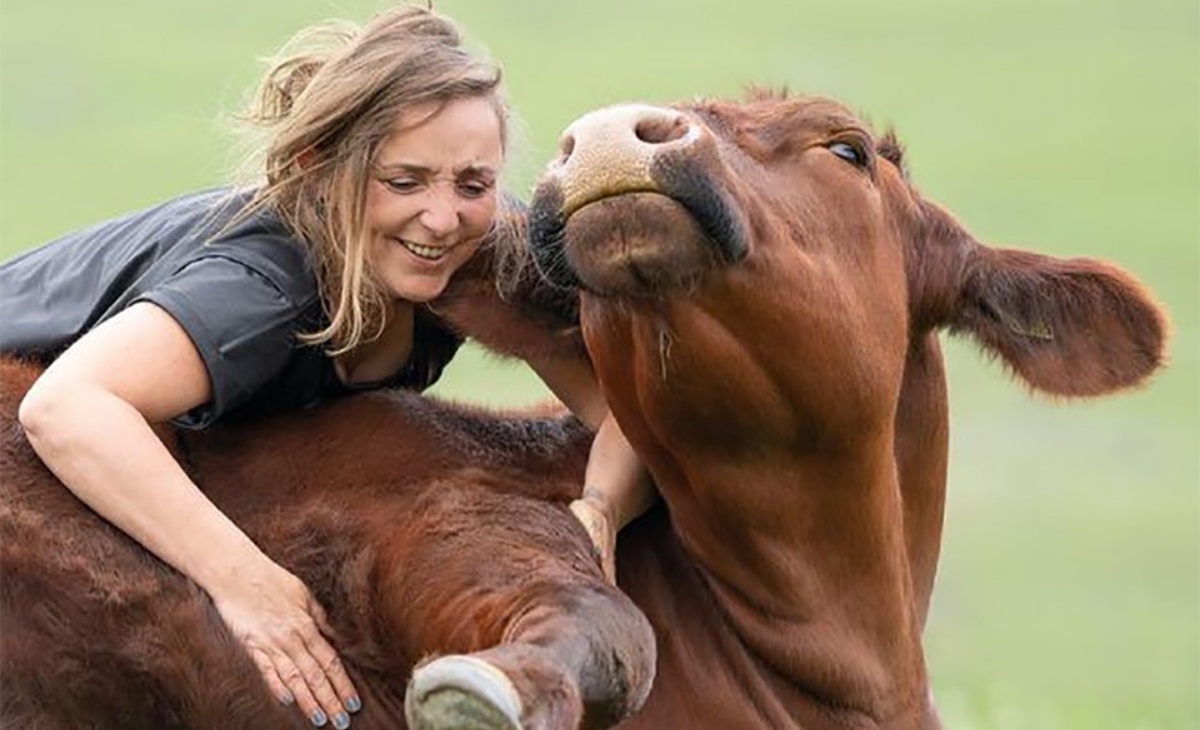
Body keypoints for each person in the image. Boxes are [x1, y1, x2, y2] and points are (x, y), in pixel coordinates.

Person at [0, 5, 655, 729]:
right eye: (404, 182)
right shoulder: (262, 285)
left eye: (472, 183)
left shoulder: (473, 251)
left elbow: (634, 409)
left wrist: (597, 508)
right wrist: (247, 586)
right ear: (321, 169)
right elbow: (68, 409)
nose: (441, 217)